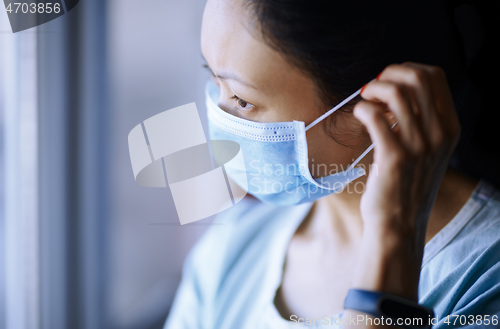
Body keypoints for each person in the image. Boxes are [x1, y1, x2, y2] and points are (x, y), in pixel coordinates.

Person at [164, 0, 500, 328]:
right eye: (213, 80)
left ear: (383, 106)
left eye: (242, 99)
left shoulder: (485, 276)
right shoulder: (235, 243)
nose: (220, 117)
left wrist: (392, 242)